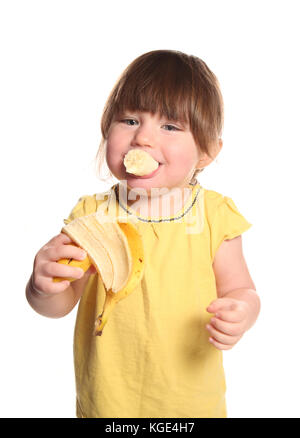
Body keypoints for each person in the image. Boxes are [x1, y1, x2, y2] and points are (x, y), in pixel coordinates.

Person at [26, 50, 260, 418]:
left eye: (170, 126)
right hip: (107, 405)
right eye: (130, 120)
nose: (143, 138)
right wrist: (42, 288)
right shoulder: (91, 216)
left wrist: (242, 311)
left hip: (192, 406)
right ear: (107, 131)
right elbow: (60, 304)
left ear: (207, 152)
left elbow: (240, 288)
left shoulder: (215, 215)